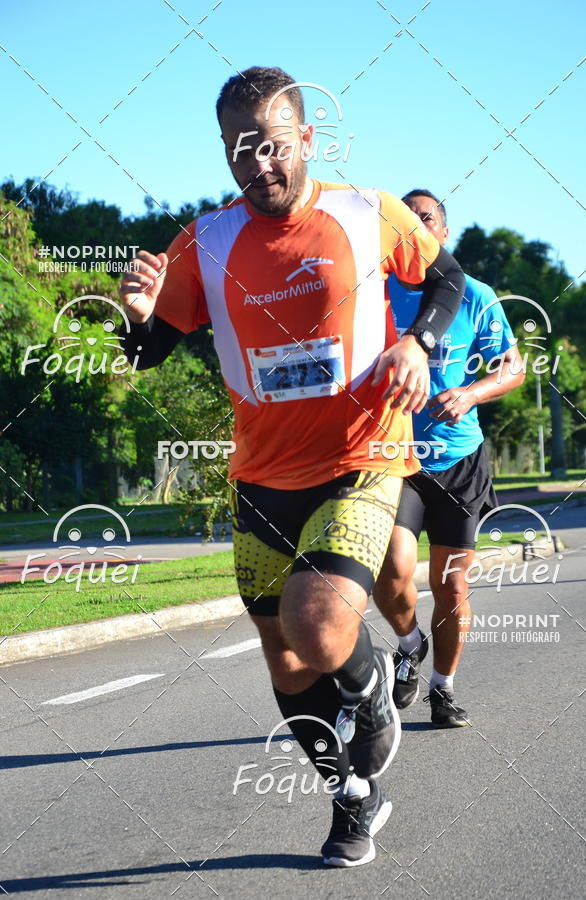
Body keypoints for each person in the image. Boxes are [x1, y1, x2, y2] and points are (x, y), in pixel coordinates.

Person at [119, 70, 465, 867]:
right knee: (284, 657)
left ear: (307, 139)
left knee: (319, 623)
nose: (257, 163)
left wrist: (420, 343)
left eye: (271, 144)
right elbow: (143, 357)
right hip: (265, 473)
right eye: (239, 148)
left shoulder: (364, 212)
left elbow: (442, 278)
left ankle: (373, 687)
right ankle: (354, 798)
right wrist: (135, 321)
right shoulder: (202, 244)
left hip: (363, 454)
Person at [374, 189, 524, 728]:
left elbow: (513, 369)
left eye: (425, 218)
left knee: (452, 585)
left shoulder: (476, 295)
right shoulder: (375, 295)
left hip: (460, 460)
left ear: (443, 232)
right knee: (389, 570)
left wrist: (470, 394)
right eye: (404, 221)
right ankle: (409, 642)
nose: (414, 226)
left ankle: (443, 688)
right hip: (392, 456)